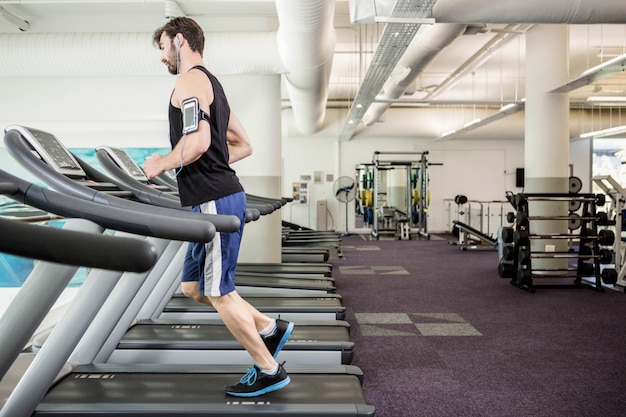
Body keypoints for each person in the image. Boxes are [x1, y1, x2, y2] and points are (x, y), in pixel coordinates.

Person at [143, 17, 293, 397]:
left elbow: (196, 142)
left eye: (163, 48)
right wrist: (213, 165)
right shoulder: (213, 86)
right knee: (194, 287)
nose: (162, 57)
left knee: (219, 292)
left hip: (214, 199)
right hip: (215, 194)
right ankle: (270, 328)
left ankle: (268, 368)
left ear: (179, 41)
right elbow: (243, 144)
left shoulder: (190, 80)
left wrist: (160, 162)